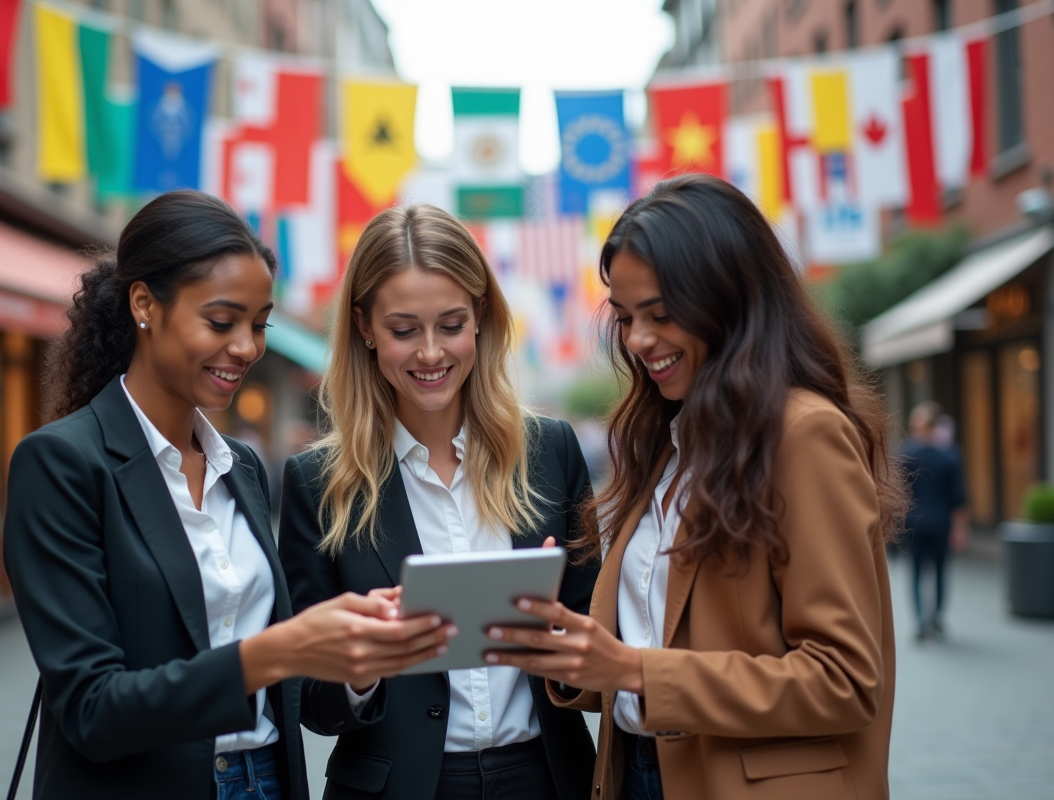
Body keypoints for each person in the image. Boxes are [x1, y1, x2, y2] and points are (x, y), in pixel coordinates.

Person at [3, 191, 451, 800]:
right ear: (144, 305)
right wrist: (273, 651)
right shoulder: (62, 463)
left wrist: (359, 660)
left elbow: (285, 685)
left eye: (259, 324)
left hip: (267, 779)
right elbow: (92, 709)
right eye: (221, 321)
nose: (247, 346)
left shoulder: (237, 464)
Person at [484, 174, 906, 800]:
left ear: (730, 297)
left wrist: (633, 668)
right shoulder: (670, 440)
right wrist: (571, 652)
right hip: (641, 774)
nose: (638, 340)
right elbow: (662, 635)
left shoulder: (805, 433)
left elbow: (843, 679)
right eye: (626, 318)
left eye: (660, 313)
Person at [277, 204, 599, 800]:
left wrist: (562, 637)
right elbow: (306, 696)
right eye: (404, 330)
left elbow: (601, 652)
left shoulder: (550, 452)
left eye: (450, 325)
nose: (430, 353)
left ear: (480, 317)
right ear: (365, 327)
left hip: (546, 779)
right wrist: (363, 666)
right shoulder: (318, 481)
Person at [899, 401, 969, 640]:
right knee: (940, 572)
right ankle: (936, 619)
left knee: (916, 573)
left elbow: (898, 494)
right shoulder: (949, 455)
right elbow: (958, 499)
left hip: (914, 523)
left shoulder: (905, 454)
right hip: (941, 524)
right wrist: (960, 530)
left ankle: (920, 621)